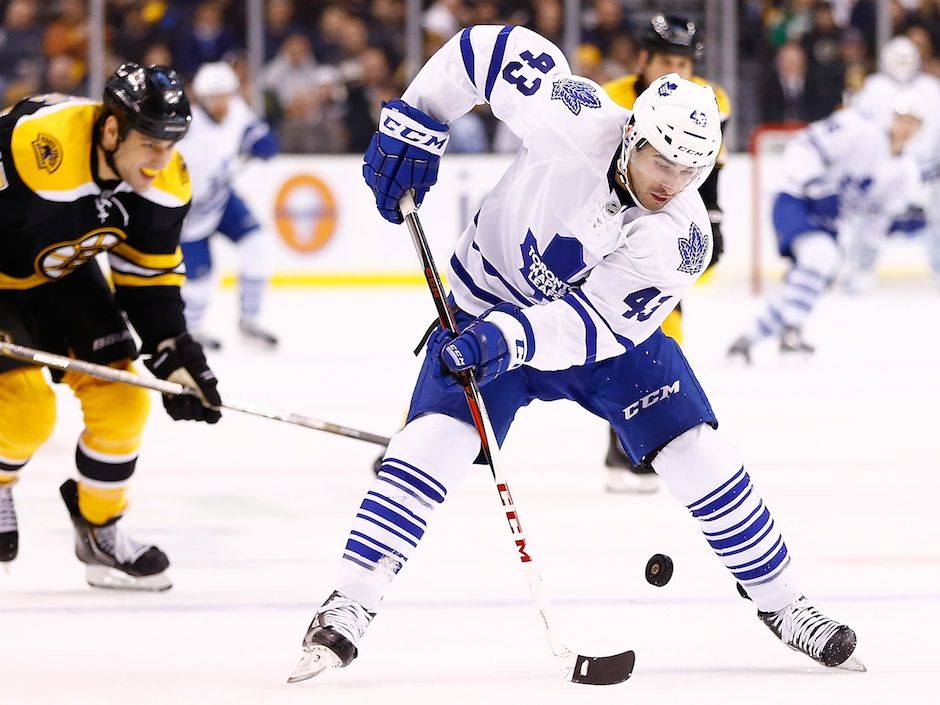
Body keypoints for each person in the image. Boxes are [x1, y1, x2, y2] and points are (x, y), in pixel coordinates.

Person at [288, 25, 861, 682]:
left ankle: (786, 604)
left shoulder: (682, 240)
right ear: (633, 135)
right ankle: (347, 604)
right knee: (428, 449)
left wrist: (511, 340)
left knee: (699, 451)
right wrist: (419, 118)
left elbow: (590, 328)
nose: (671, 182)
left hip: (596, 341)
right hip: (486, 303)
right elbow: (483, 51)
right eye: (661, 161)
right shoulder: (572, 113)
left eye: (689, 169)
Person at [0, 63, 222, 590]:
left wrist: (175, 354)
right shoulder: (37, 145)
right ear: (111, 129)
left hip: (63, 277)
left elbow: (147, 278)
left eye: (170, 145)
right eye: (149, 144)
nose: (160, 161)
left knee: (125, 402)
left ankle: (99, 528)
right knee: (26, 410)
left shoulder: (164, 180)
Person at [600, 14, 732, 493]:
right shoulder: (611, 99)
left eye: (683, 63)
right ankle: (438, 425)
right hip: (596, 227)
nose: (675, 73)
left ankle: (628, 439)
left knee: (657, 329)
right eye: (665, 63)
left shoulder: (709, 103)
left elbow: (708, 177)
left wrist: (713, 223)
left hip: (658, 234)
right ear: (642, 60)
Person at [727, 102, 924, 362]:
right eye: (902, 119)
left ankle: (748, 339)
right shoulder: (859, 129)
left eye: (914, 122)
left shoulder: (905, 172)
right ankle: (792, 331)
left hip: (829, 221)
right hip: (796, 199)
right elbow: (803, 144)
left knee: (814, 274)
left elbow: (873, 228)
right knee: (821, 256)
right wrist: (815, 184)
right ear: (891, 118)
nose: (906, 127)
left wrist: (896, 226)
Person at [177, 61, 280, 350]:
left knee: (257, 245)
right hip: (190, 213)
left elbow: (254, 132)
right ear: (202, 97)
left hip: (221, 199)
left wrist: (263, 142)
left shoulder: (236, 110)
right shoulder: (187, 126)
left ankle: (250, 322)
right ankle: (192, 329)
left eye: (227, 94)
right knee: (199, 278)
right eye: (216, 96)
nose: (223, 102)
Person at [843, 35, 940, 293]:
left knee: (937, 221)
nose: (902, 64)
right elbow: (860, 128)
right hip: (885, 170)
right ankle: (859, 271)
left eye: (907, 59)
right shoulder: (874, 87)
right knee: (870, 220)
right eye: (897, 59)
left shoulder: (931, 88)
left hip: (929, 172)